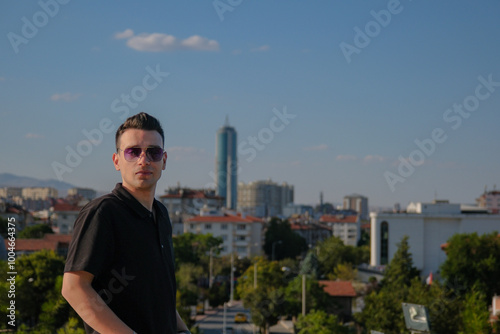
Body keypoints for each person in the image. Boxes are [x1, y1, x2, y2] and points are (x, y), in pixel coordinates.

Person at [62, 112, 190, 334]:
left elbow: (161, 293)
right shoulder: (102, 213)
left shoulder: (161, 214)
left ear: (164, 160)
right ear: (117, 161)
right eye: (133, 152)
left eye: (154, 152)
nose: (144, 160)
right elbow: (74, 288)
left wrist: (183, 330)